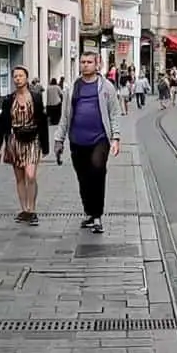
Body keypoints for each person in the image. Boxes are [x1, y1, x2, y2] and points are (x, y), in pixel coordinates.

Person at [54, 52, 122, 235]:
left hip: (100, 139)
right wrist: (58, 139)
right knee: (83, 178)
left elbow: (115, 113)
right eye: (83, 62)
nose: (85, 65)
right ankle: (89, 212)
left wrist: (115, 137)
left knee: (97, 172)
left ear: (97, 64)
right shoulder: (72, 88)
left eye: (89, 62)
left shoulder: (106, 87)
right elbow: (65, 116)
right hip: (77, 140)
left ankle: (97, 215)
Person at [0, 66, 50, 226]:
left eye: (21, 76)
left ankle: (32, 209)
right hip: (14, 139)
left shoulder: (36, 97)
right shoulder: (8, 99)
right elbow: (2, 124)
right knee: (19, 178)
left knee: (30, 175)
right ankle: (24, 209)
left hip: (32, 139)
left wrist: (45, 146)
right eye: (15, 76)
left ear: (26, 78)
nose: (18, 78)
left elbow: (42, 121)